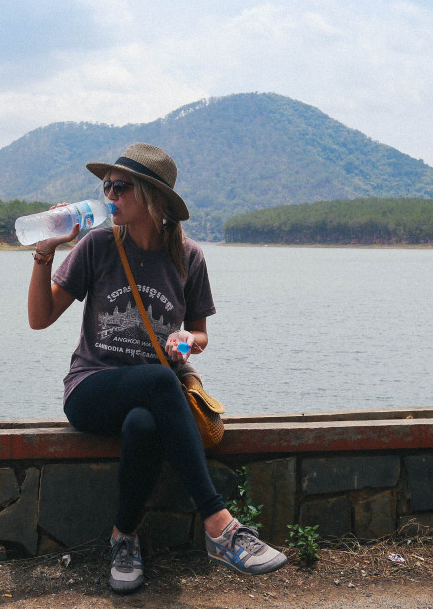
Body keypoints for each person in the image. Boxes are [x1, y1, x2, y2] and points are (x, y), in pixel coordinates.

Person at [27, 142, 287, 594]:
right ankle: (220, 526)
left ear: (152, 198)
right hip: (91, 388)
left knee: (146, 425)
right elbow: (39, 318)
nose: (109, 195)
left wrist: (188, 340)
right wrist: (45, 251)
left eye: (120, 187)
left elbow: (199, 332)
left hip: (154, 396)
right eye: (106, 185)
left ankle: (123, 538)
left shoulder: (189, 258)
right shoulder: (97, 246)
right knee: (159, 380)